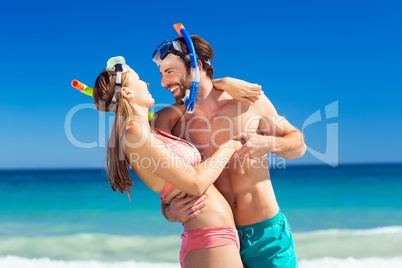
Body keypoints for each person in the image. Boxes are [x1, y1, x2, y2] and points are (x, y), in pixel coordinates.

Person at [152, 36, 306, 267]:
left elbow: (298, 145)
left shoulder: (250, 101)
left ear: (196, 67)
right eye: (162, 74)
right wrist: (168, 211)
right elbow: (167, 181)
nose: (163, 82)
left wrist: (267, 144)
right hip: (216, 238)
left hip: (266, 233)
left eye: (170, 72)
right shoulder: (172, 122)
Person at [92, 56, 250, 268]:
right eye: (139, 80)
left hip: (217, 239)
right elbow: (196, 183)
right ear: (127, 92)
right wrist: (230, 146)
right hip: (209, 241)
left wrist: (225, 82)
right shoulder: (134, 136)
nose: (146, 83)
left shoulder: (153, 129)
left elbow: (195, 98)